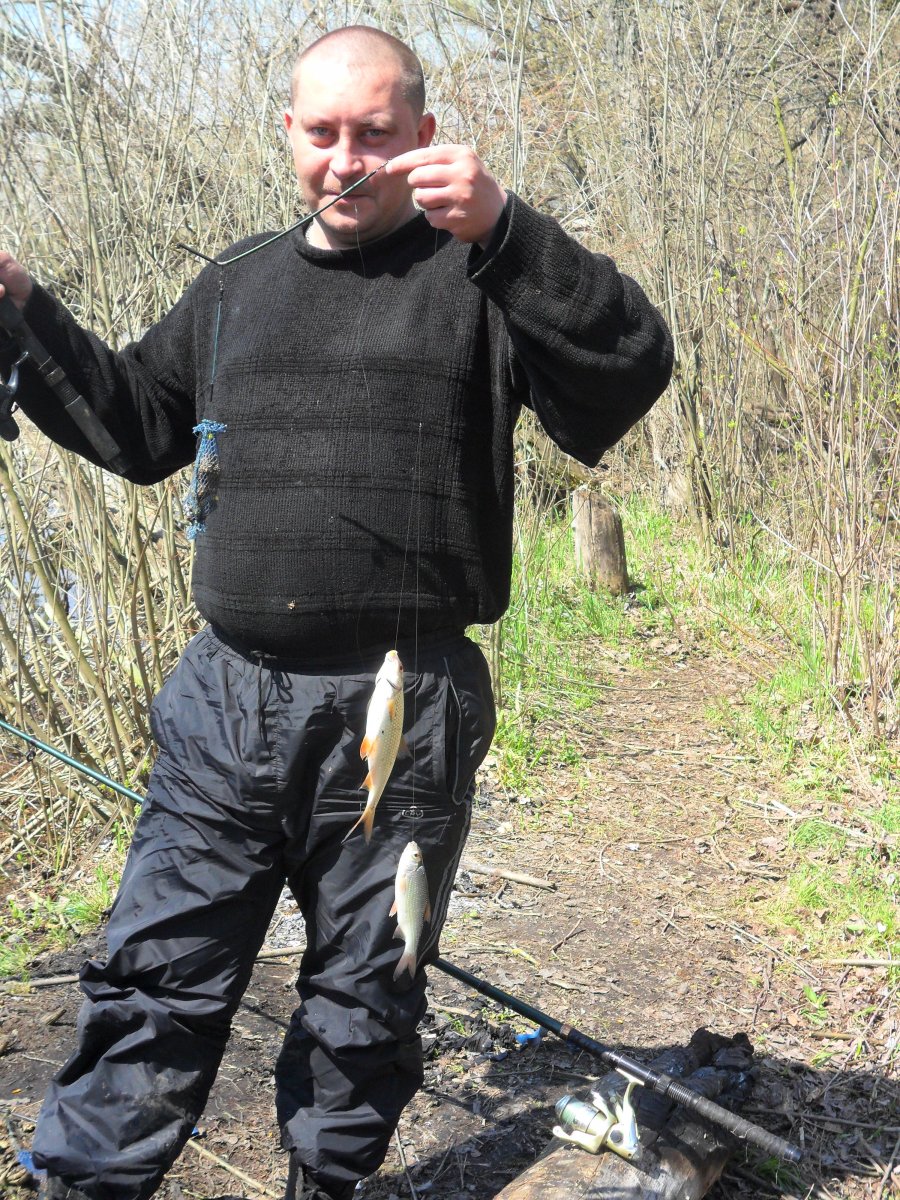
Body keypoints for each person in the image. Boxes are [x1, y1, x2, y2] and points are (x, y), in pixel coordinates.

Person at [0, 25, 673, 1200]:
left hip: (404, 709)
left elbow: (629, 369)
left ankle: (329, 1182)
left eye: (375, 133)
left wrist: (511, 231)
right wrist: (20, 307)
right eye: (322, 133)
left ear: (423, 134)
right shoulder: (235, 285)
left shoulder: (480, 275)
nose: (346, 159)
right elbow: (136, 428)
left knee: (366, 997)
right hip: (224, 704)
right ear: (289, 134)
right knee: (154, 977)